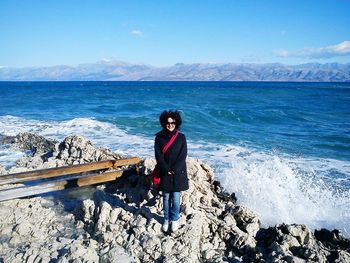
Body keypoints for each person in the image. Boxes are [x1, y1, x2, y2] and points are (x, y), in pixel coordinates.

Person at [154, 110, 189, 232]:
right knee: (166, 197)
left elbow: (183, 155)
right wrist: (166, 169)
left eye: (173, 122)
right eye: (168, 122)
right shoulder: (159, 137)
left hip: (178, 172)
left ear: (176, 122)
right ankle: (166, 219)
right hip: (165, 172)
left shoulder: (181, 137)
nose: (170, 124)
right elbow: (158, 155)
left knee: (176, 197)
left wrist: (174, 169)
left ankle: (174, 220)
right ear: (164, 123)